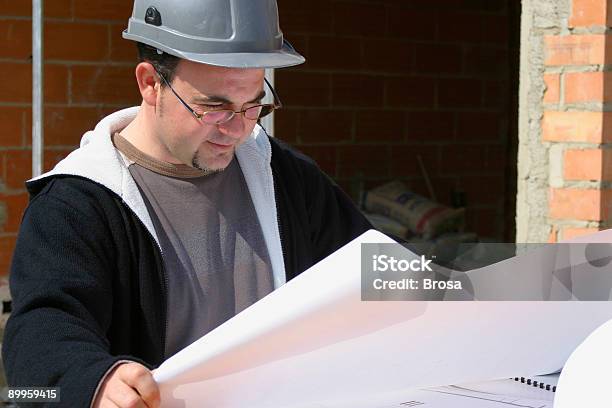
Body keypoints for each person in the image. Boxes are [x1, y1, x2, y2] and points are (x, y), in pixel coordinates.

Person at [2, 0, 372, 407]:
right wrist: (91, 385)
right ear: (150, 83)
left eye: (253, 105)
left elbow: (365, 265)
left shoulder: (284, 176)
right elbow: (35, 349)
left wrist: (438, 290)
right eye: (213, 108)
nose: (236, 129)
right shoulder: (77, 205)